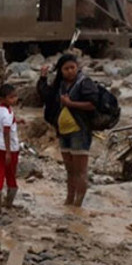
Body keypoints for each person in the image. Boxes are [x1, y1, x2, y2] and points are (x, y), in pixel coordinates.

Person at [37, 54, 98, 207]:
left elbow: (92, 104)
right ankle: (69, 200)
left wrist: (71, 103)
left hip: (80, 131)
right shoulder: (60, 85)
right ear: (60, 71)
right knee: (70, 170)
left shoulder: (85, 83)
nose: (70, 71)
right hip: (63, 132)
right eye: (66, 68)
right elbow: (46, 96)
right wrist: (43, 78)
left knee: (80, 171)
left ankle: (78, 204)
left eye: (73, 67)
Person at [0, 83, 25, 213]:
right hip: (9, 148)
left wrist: (17, 121)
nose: (15, 99)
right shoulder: (7, 113)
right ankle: (9, 201)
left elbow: (3, 123)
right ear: (3, 98)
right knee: (10, 174)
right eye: (11, 97)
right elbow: (6, 132)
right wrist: (9, 152)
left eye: (15, 96)